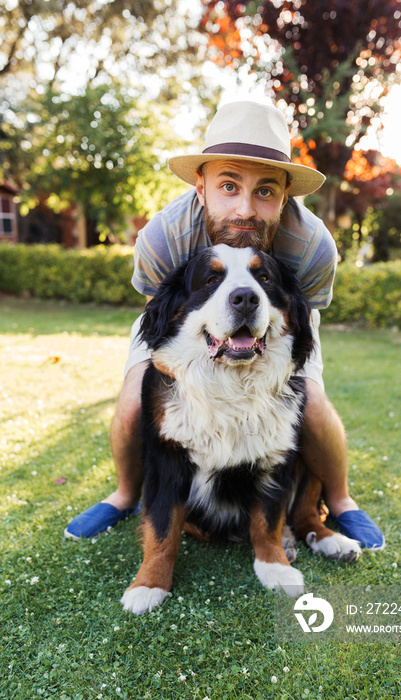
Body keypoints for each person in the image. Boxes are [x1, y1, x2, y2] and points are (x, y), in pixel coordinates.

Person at [65, 101, 384, 551]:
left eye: (265, 191)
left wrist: (260, 378)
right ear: (201, 187)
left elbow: (299, 329)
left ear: (286, 194)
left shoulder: (314, 248)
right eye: (229, 185)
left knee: (310, 405)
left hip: (274, 325)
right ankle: (124, 495)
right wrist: (199, 378)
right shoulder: (162, 237)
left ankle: (340, 499)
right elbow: (161, 323)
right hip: (185, 322)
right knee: (137, 401)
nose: (245, 209)